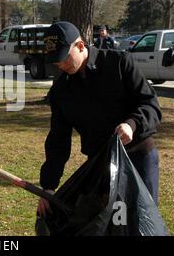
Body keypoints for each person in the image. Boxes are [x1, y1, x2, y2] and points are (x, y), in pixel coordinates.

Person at [37, 21, 162, 219]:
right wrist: (48, 186)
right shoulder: (61, 90)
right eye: (56, 60)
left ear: (80, 46)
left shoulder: (119, 62)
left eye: (65, 58)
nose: (61, 65)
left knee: (142, 219)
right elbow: (58, 140)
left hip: (138, 157)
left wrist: (131, 125)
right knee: (108, 222)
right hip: (101, 165)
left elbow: (150, 104)